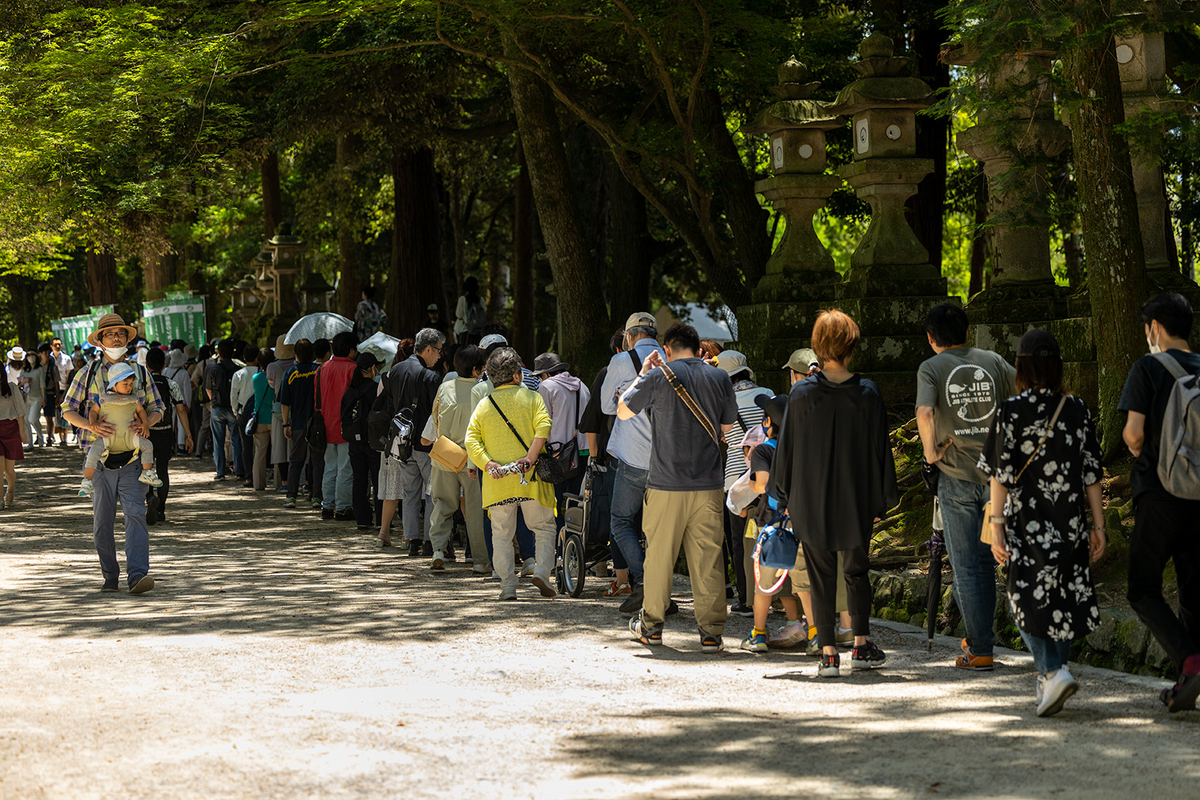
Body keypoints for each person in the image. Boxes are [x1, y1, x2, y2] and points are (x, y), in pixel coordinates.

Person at [980, 328, 1104, 717]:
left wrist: (996, 524)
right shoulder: (1077, 409)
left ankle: (1051, 671)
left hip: (1025, 523)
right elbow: (1092, 473)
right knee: (1062, 599)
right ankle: (1058, 672)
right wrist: (1099, 526)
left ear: (1021, 366)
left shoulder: (1010, 412)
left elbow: (999, 475)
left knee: (1023, 600)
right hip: (1069, 522)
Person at [771, 309, 898, 677]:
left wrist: (784, 493)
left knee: (820, 573)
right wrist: (881, 498)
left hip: (809, 497)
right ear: (851, 345)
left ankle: (827, 653)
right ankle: (860, 645)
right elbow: (879, 451)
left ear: (818, 346)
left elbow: (787, 449)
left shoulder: (801, 394)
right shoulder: (868, 393)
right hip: (855, 496)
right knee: (857, 571)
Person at [619, 323, 737, 653]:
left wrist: (643, 372)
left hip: (665, 484)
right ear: (699, 349)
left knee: (658, 557)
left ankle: (652, 627)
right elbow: (726, 427)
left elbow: (624, 410)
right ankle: (711, 633)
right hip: (709, 484)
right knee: (709, 559)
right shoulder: (719, 378)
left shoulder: (658, 376)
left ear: (667, 350)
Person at [916, 303, 1016, 671]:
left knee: (967, 567)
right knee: (989, 561)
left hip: (955, 475)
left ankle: (980, 646)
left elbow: (925, 412)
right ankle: (982, 639)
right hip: (997, 478)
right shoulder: (993, 361)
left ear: (931, 338)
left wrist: (930, 453)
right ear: (966, 332)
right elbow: (1022, 393)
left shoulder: (931, 368)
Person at [1119, 292, 1200, 712]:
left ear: (1155, 328)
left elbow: (1133, 434)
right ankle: (1189, 677)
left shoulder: (1148, 367)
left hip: (1160, 491)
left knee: (1142, 587)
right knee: (1193, 591)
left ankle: (1189, 661)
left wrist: (1142, 452)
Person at [60, 313, 165, 594]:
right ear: (100, 341)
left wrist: (146, 423)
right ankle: (110, 575)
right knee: (102, 522)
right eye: (110, 334)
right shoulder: (88, 373)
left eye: (120, 334)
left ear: (128, 339)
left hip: (133, 460)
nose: (116, 338)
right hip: (101, 463)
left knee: (135, 515)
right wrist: (90, 425)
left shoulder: (141, 373)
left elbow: (158, 408)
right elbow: (67, 408)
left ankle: (137, 575)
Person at [465, 347, 557, 601]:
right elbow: (544, 425)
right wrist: (531, 456)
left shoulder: (485, 405)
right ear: (517, 375)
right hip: (530, 478)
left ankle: (507, 586)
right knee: (544, 527)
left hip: (498, 481)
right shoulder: (532, 398)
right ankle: (541, 571)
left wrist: (487, 463)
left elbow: (471, 439)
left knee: (502, 535)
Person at [601, 313, 666, 617]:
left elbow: (606, 406)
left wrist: (621, 395)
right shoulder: (672, 359)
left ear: (629, 336)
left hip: (631, 456)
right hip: (666, 459)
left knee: (620, 521)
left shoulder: (622, 361)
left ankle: (643, 582)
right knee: (654, 528)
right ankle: (660, 589)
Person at [738, 393, 813, 653]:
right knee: (803, 585)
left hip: (772, 525)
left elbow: (760, 483)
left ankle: (758, 635)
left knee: (764, 585)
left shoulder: (764, 449)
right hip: (802, 523)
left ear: (768, 422)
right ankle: (815, 636)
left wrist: (750, 482)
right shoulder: (805, 446)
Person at [421, 344, 489, 573]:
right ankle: (480, 560)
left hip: (444, 455)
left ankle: (438, 549)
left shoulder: (445, 386)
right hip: (472, 459)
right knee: (475, 510)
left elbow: (435, 418)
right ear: (476, 370)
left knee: (442, 504)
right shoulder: (483, 391)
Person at [713, 350, 771, 616]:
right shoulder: (768, 394)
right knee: (769, 535)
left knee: (739, 541)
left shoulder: (723, 400)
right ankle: (774, 594)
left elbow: (719, 437)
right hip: (767, 474)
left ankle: (746, 598)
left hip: (736, 479)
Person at [377, 328, 444, 557]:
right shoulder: (430, 375)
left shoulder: (394, 371)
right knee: (431, 493)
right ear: (428, 349)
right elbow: (437, 412)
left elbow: (391, 406)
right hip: (426, 442)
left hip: (402, 441)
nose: (439, 356)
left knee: (410, 492)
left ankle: (412, 539)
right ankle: (429, 541)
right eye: (438, 351)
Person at [577, 330, 628, 597]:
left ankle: (623, 579)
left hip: (614, 459)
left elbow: (592, 422)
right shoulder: (656, 371)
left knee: (619, 519)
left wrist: (594, 458)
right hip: (655, 461)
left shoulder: (608, 373)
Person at [77, 362, 163, 496]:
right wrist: (92, 423)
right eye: (125, 384)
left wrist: (145, 423)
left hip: (130, 437)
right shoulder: (103, 399)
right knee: (93, 453)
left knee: (148, 445)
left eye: (130, 384)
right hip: (107, 437)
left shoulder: (133, 399)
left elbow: (141, 411)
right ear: (114, 383)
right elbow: (93, 411)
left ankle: (147, 472)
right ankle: (87, 480)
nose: (129, 387)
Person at [534, 352, 591, 524]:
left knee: (555, 502)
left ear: (545, 374)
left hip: (559, 454)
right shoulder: (582, 385)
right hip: (583, 451)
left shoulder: (546, 387)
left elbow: (543, 423)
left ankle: (558, 544)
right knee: (577, 501)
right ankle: (573, 542)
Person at [144, 346, 192, 525]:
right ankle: (161, 509)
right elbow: (181, 411)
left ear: (146, 366)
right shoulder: (171, 384)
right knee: (162, 470)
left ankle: (150, 499)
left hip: (146, 434)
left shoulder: (142, 385)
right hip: (165, 434)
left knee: (146, 470)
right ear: (164, 364)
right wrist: (188, 435)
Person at [318, 331, 360, 520]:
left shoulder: (323, 368)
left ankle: (327, 505)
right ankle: (342, 507)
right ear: (351, 350)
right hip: (347, 426)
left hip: (325, 425)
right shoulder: (353, 369)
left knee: (330, 467)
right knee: (345, 468)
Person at [342, 352, 383, 531]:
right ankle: (382, 519)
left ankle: (363, 519)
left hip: (354, 441)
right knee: (378, 480)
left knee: (359, 480)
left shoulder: (349, 391)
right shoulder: (376, 389)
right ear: (372, 368)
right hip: (373, 442)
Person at [280, 339, 318, 510]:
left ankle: (291, 496)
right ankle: (317, 496)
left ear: (295, 355)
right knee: (317, 460)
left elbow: (285, 403)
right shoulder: (318, 371)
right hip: (318, 423)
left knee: (296, 460)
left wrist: (285, 424)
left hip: (298, 424)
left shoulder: (290, 373)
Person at [204, 339, 243, 481]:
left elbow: (208, 388)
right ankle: (239, 470)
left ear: (218, 353)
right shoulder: (238, 368)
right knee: (236, 440)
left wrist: (213, 401)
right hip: (233, 408)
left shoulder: (212, 368)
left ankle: (220, 471)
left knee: (218, 441)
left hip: (217, 407)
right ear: (232, 352)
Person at [267, 335, 296, 490]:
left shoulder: (272, 367)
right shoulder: (297, 365)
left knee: (279, 447)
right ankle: (298, 481)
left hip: (279, 411)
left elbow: (271, 386)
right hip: (296, 409)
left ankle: (284, 482)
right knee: (295, 447)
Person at [232, 343, 261, 487]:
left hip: (243, 413)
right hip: (261, 412)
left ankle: (249, 477)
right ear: (257, 357)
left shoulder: (239, 374)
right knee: (261, 446)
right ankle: (261, 475)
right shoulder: (262, 372)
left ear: (244, 357)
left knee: (246, 446)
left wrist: (235, 411)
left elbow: (233, 395)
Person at [0, 369, 29, 508]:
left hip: (10, 430)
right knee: (0, 468)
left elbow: (20, 411)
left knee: (8, 470)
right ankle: (0, 499)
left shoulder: (11, 387)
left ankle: (10, 489)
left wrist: (22, 431)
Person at [250, 348, 276, 491]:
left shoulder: (256, 378)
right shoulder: (276, 377)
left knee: (259, 453)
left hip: (259, 418)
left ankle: (258, 483)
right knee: (277, 452)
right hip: (274, 418)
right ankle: (279, 482)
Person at [163, 348, 193, 453]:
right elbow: (187, 390)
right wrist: (188, 404)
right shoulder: (184, 373)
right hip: (181, 401)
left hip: (168, 402)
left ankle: (170, 445)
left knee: (169, 422)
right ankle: (181, 446)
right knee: (181, 423)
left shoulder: (165, 371)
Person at [48, 337, 74, 445]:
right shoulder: (49, 359)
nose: (58, 346)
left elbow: (69, 374)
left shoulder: (67, 358)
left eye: (59, 344)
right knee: (55, 415)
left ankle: (65, 439)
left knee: (65, 414)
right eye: (55, 345)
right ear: (51, 346)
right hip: (52, 389)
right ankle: (57, 437)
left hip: (64, 388)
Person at [21, 350, 46, 447]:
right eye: (29, 355)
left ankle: (40, 438)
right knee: (26, 420)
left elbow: (42, 384)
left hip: (37, 398)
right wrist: (25, 381)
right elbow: (19, 383)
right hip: (26, 398)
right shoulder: (24, 370)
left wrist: (44, 398)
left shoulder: (40, 369)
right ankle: (29, 442)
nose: (31, 357)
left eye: (33, 355)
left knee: (33, 419)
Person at [454, 276, 488, 341]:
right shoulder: (481, 300)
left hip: (465, 331)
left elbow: (459, 315)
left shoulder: (462, 299)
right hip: (478, 332)